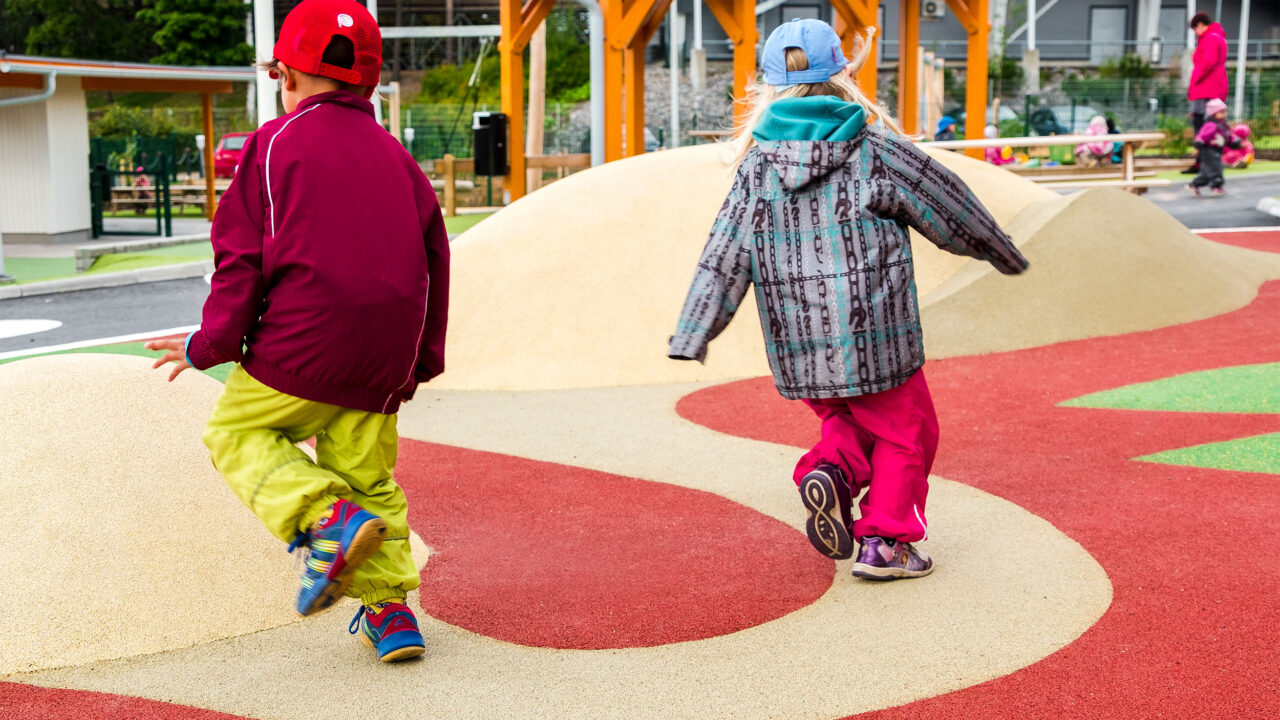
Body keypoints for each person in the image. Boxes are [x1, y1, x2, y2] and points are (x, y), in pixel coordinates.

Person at [668, 18, 1028, 581]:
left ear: (767, 87)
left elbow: (725, 252)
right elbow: (948, 203)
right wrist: (1001, 252)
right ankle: (887, 542)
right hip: (876, 333)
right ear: (844, 74)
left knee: (850, 419)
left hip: (800, 343)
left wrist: (693, 331)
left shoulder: (757, 168)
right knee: (908, 431)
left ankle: (832, 471)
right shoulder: (875, 148)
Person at [145, 0, 449, 662]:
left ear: (283, 73)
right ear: (368, 83)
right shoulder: (399, 159)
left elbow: (240, 262)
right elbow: (435, 256)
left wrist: (210, 347)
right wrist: (420, 359)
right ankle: (391, 613)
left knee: (235, 433)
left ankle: (323, 518)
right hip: (382, 357)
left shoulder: (271, 146)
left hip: (302, 345)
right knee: (369, 478)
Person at [1183, 12, 1229, 174]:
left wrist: (1195, 79)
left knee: (1202, 126)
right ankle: (1206, 162)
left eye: (1195, 28)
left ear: (1201, 24)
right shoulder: (1218, 38)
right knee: (1212, 126)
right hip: (1214, 86)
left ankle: (1201, 163)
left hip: (1206, 87)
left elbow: (1207, 62)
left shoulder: (1210, 38)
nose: (1195, 32)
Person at [1187, 98, 1240, 196]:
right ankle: (1216, 186)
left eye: (1225, 111)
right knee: (1216, 168)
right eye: (1222, 112)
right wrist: (1197, 147)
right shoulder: (1211, 125)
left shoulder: (1223, 125)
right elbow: (1202, 136)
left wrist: (1236, 142)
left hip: (1217, 150)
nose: (1225, 114)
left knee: (1207, 171)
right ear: (1214, 113)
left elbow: (1228, 135)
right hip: (1208, 150)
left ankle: (1195, 184)